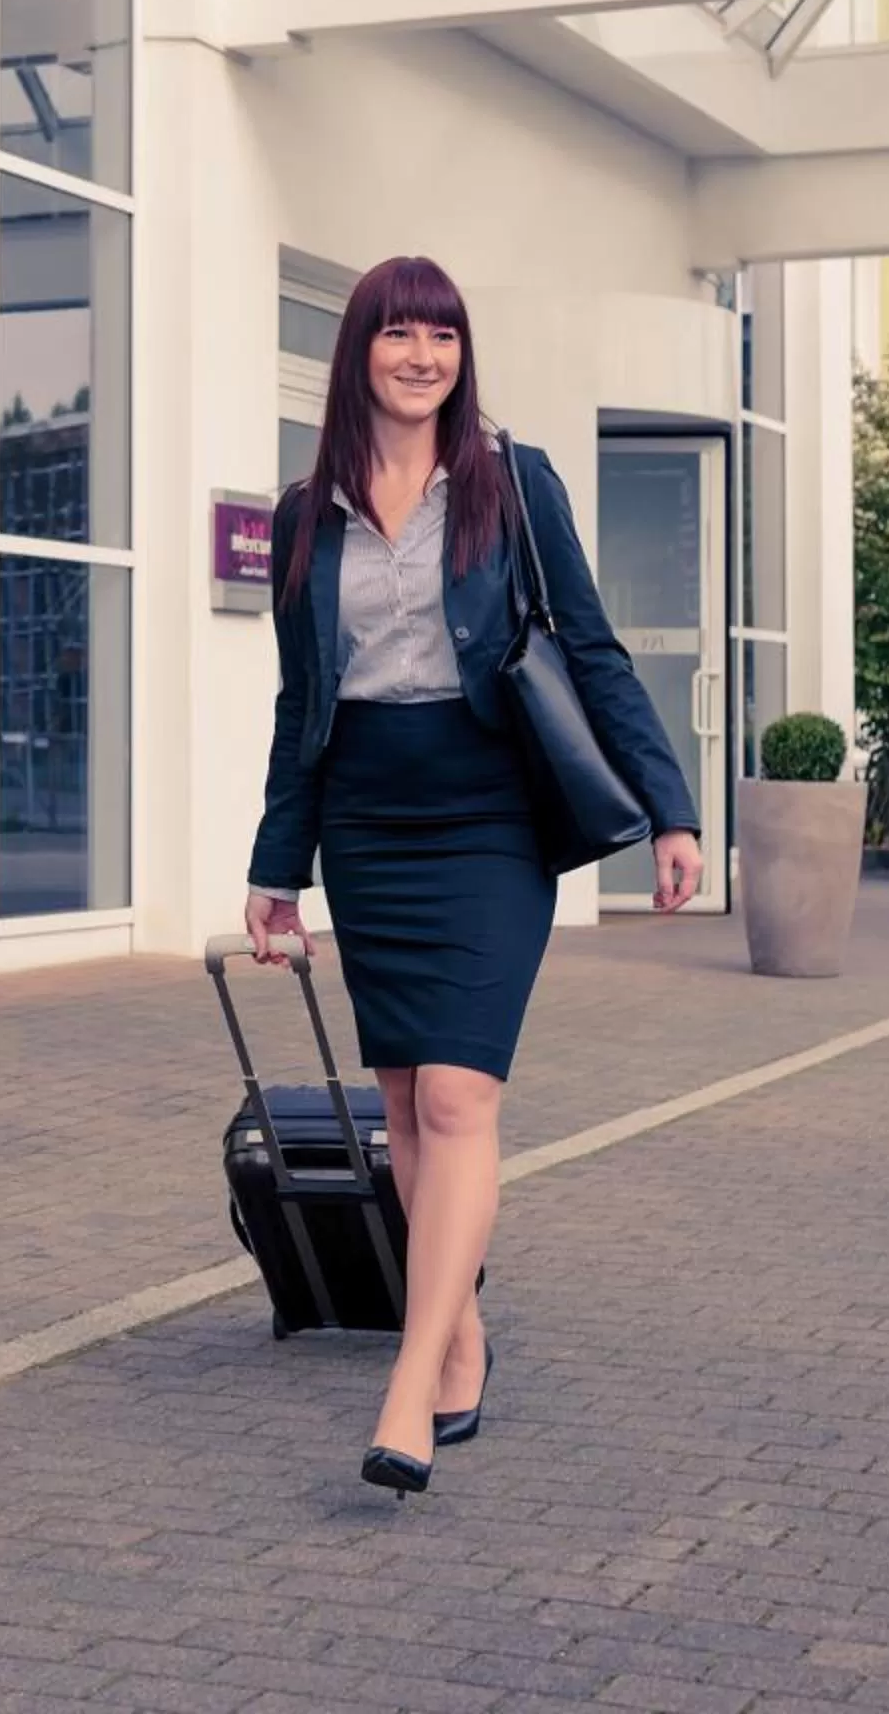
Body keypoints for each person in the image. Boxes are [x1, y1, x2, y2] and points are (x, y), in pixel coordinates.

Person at [241, 255, 701, 1502]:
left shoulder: (514, 481)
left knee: (455, 1095)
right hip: (369, 822)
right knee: (401, 1108)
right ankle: (461, 1336)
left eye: (441, 335)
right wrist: (277, 867)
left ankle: (408, 1383)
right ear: (361, 353)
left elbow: (592, 649)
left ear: (461, 353)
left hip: (490, 816)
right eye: (397, 333)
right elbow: (302, 704)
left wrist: (672, 806)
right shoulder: (305, 511)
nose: (421, 355)